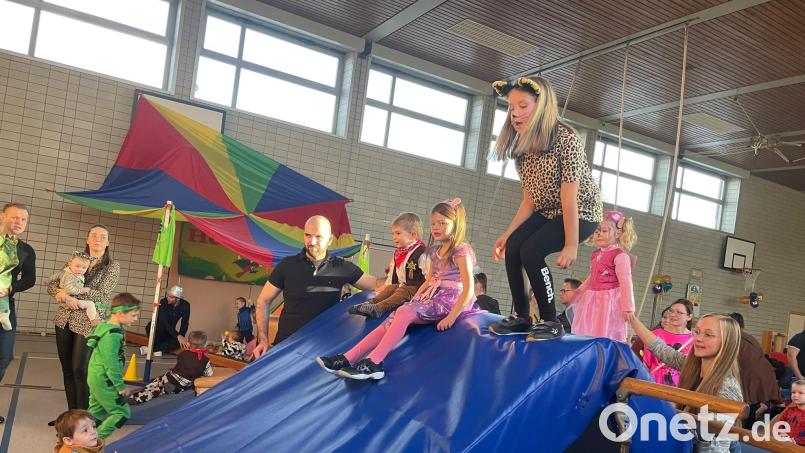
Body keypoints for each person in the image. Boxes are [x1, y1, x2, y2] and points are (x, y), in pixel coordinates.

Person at [487, 77, 602, 339]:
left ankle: (552, 321)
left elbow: (570, 198)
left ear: (541, 105)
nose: (515, 113)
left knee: (531, 250)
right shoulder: (522, 149)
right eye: (511, 107)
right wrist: (507, 234)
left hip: (581, 213)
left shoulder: (566, 139)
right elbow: (530, 201)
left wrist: (571, 244)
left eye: (523, 105)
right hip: (548, 210)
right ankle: (522, 316)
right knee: (515, 245)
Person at [317, 198, 477, 381]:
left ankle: (375, 362)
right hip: (434, 295)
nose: (436, 227)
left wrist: (452, 316)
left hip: (451, 299)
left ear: (456, 224)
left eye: (442, 223)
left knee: (403, 313)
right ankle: (348, 357)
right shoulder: (434, 251)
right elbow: (429, 280)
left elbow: (469, 288)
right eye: (433, 223)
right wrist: (414, 300)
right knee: (394, 319)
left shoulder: (461, 250)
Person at [252, 216, 377, 358]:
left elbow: (376, 285)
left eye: (318, 237)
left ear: (330, 240)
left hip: (322, 351)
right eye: (308, 235)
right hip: (286, 347)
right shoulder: (287, 265)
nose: (312, 242)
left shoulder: (342, 267)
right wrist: (263, 340)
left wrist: (398, 269)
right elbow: (263, 300)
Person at [629, 313, 742, 452]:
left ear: (727, 342)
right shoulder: (693, 367)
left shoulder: (727, 388)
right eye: (697, 332)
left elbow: (716, 447)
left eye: (709, 335)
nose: (698, 339)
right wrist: (631, 318)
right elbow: (662, 350)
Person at [49, 225, 119, 415]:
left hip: (88, 322)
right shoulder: (75, 260)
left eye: (102, 237)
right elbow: (53, 285)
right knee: (68, 371)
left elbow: (102, 295)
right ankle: (71, 416)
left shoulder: (111, 266)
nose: (97, 239)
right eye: (94, 236)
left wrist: (72, 297)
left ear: (107, 242)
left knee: (80, 370)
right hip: (64, 318)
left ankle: (84, 418)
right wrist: (62, 295)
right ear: (87, 239)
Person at [565, 210, 637, 343]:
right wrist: (580, 291)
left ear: (619, 233)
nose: (599, 234)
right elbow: (592, 276)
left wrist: (628, 307)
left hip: (608, 301)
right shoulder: (596, 254)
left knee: (604, 331)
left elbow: (626, 282)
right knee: (587, 329)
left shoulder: (620, 255)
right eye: (597, 231)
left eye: (604, 231)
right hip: (592, 299)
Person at [349, 213, 427, 318]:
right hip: (403, 285)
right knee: (391, 287)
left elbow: (429, 274)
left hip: (416, 288)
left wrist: (424, 293)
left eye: (398, 233)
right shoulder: (399, 253)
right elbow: (393, 273)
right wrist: (387, 285)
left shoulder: (421, 252)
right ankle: (370, 303)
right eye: (393, 234)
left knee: (403, 291)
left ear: (413, 235)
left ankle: (380, 308)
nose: (394, 237)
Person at [0, 203, 36, 424]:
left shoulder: (26, 250)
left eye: (23, 219)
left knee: (5, 355)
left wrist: (11, 288)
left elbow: (29, 279)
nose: (19, 222)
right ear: (3, 216)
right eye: (15, 217)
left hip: (6, 306)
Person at [86, 293, 140, 440]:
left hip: (96, 376)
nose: (135, 319)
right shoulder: (111, 335)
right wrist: (120, 386)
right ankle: (94, 442)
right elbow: (111, 365)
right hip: (104, 379)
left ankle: (78, 438)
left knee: (96, 412)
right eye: (133, 315)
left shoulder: (107, 325)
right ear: (120, 313)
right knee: (122, 413)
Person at [129, 330, 213, 405]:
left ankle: (137, 397)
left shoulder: (183, 354)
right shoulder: (205, 360)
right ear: (204, 344)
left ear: (188, 343)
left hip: (170, 378)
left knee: (156, 384)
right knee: (159, 390)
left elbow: (181, 366)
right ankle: (167, 388)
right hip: (182, 386)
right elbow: (209, 374)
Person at [728, 312, 782, 428]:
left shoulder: (734, 338)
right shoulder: (749, 337)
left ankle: (745, 435)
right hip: (766, 375)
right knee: (751, 405)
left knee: (747, 406)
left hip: (750, 377)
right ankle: (749, 432)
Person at [641, 299, 695, 386]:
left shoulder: (694, 340)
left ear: (689, 317)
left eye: (679, 312)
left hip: (681, 389)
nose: (673, 315)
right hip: (653, 386)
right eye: (671, 311)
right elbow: (646, 364)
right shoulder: (655, 335)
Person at [49, 252, 101, 327]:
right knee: (90, 304)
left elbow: (54, 277)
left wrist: (47, 281)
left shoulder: (67, 272)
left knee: (90, 305)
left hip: (67, 301)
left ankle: (94, 320)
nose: (80, 270)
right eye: (77, 266)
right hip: (67, 301)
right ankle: (94, 321)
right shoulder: (70, 275)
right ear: (70, 264)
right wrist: (82, 290)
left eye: (84, 268)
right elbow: (69, 289)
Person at [142, 285, 190, 356]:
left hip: (170, 332)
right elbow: (165, 322)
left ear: (178, 299)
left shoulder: (185, 305)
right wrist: (178, 335)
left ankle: (150, 349)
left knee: (178, 343)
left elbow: (185, 323)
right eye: (167, 295)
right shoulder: (163, 302)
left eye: (171, 297)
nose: (167, 297)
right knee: (159, 327)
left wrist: (181, 336)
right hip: (156, 330)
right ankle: (158, 349)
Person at [771, 378, 805, 446]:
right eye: (793, 392)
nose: (795, 395)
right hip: (785, 442)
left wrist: (795, 441)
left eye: (800, 393)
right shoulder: (790, 410)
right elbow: (780, 423)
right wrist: (781, 432)